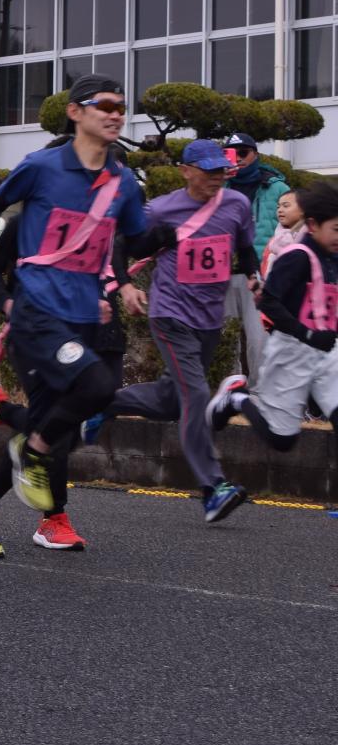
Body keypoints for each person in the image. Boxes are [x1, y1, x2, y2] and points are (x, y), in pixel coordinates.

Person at [0, 75, 166, 561]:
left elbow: (131, 242)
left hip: (87, 318)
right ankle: (39, 484)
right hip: (38, 315)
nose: (117, 114)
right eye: (106, 106)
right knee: (93, 392)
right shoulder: (41, 170)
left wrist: (178, 229)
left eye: (122, 106)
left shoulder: (122, 186)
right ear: (76, 113)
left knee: (55, 427)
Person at [100, 139, 257, 525]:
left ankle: (102, 403)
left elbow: (246, 248)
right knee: (197, 393)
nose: (216, 178)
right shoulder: (160, 209)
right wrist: (125, 286)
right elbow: (121, 245)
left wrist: (254, 276)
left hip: (209, 319)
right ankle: (212, 488)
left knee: (173, 400)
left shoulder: (236, 205)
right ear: (186, 170)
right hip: (170, 315)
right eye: (208, 171)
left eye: (221, 171)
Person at [210, 179, 338, 474]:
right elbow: (268, 303)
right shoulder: (296, 257)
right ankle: (237, 398)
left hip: (328, 351)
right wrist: (306, 333)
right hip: (292, 350)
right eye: (335, 230)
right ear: (314, 225)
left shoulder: (333, 259)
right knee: (281, 439)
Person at [221, 132, 288, 384]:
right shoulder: (217, 186)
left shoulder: (277, 187)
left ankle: (261, 395)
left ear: (255, 154)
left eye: (243, 153)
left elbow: (291, 227)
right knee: (225, 339)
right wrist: (220, 182)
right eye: (231, 153)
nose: (238, 158)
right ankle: (228, 393)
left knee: (259, 338)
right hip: (222, 271)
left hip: (260, 274)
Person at [262, 188, 304, 276]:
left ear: (303, 209)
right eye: (278, 207)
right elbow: (264, 268)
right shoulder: (274, 241)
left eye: (286, 206)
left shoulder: (311, 239)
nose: (279, 210)